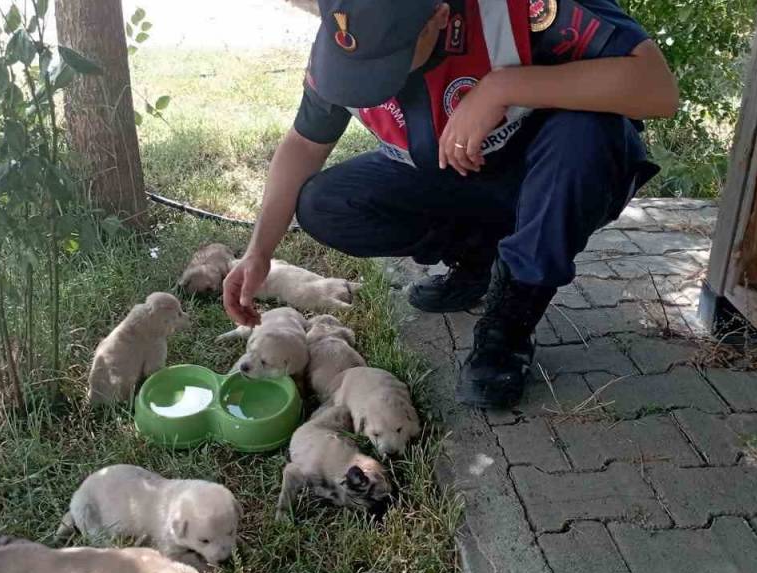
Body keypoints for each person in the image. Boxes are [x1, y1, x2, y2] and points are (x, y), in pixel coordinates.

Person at [222, 0, 678, 409]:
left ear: (439, 18)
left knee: (588, 135)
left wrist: (503, 88)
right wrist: (259, 251)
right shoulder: (348, 35)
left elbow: (656, 88)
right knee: (325, 203)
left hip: (549, 174)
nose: (371, 83)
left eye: (387, 64)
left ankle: (509, 326)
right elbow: (305, 142)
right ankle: (480, 259)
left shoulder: (520, 9)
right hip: (454, 172)